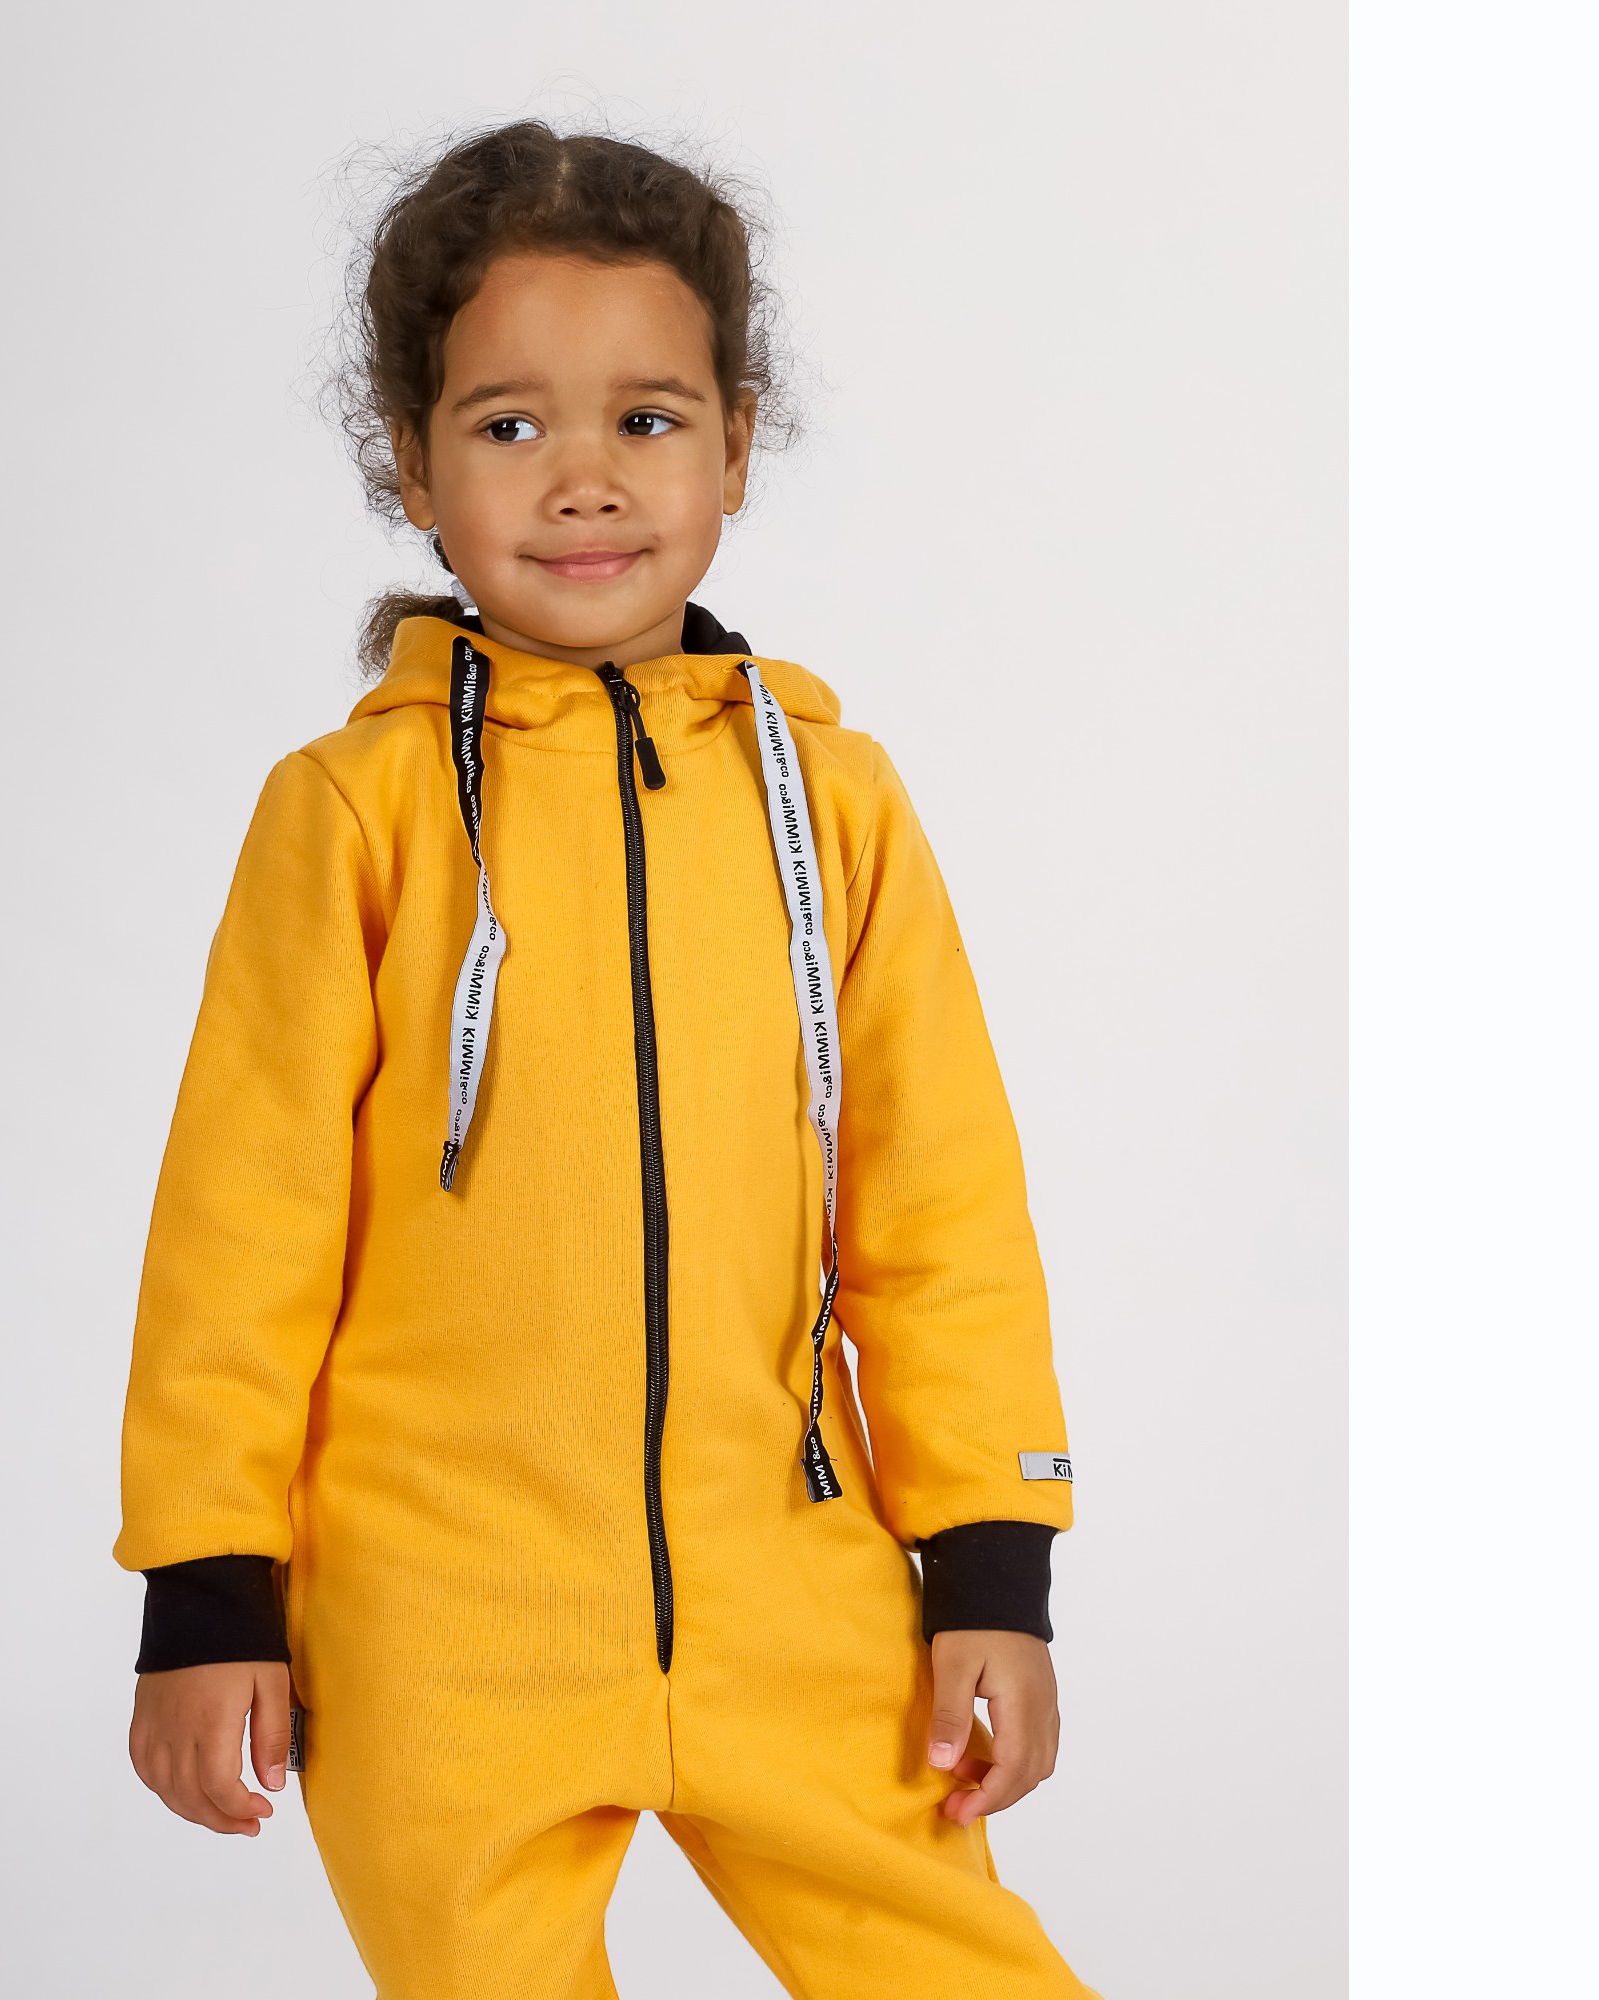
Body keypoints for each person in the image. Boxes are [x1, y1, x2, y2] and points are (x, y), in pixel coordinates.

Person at [115, 119, 1096, 2000]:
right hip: (438, 1625)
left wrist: (991, 1563)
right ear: (413, 463)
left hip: (794, 1594)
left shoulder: (839, 805)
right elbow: (240, 1227)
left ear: (738, 443)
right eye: (507, 425)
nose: (582, 479)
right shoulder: (355, 813)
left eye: (647, 419)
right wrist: (206, 1589)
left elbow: (942, 1210)